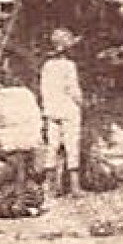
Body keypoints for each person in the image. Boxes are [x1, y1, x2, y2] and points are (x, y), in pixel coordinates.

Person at [40, 28, 85, 195]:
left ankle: (52, 186)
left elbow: (44, 89)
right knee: (72, 144)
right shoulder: (69, 66)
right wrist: (81, 103)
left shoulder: (46, 66)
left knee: (53, 145)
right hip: (68, 108)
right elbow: (73, 89)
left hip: (52, 108)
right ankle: (74, 186)